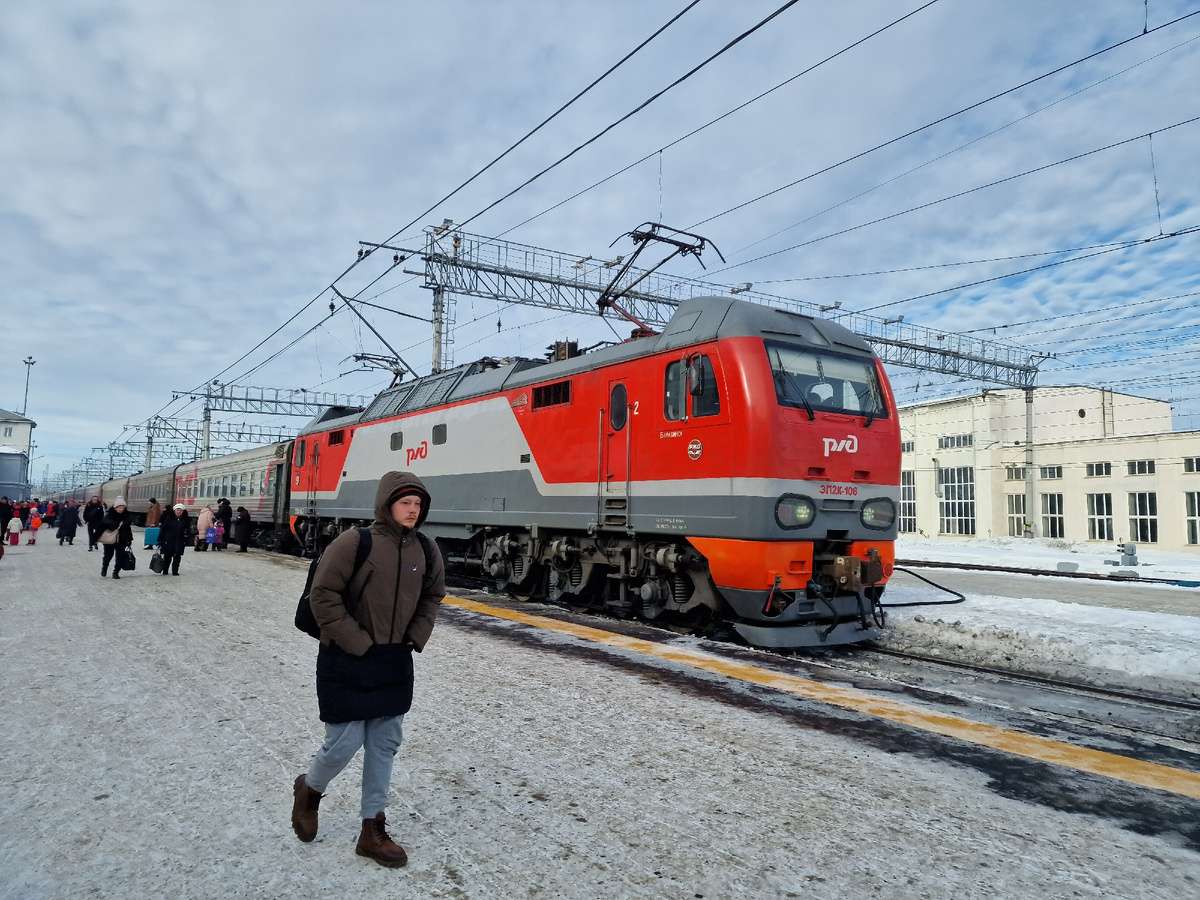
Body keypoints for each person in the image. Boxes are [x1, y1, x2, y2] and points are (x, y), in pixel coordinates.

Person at [291, 471, 444, 868]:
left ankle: (371, 830)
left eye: (418, 504)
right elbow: (323, 596)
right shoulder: (354, 542)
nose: (413, 510)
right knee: (344, 741)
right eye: (405, 503)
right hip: (347, 656)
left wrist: (414, 637)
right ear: (387, 504)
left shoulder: (427, 550)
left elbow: (432, 597)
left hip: (394, 658)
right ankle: (309, 789)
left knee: (384, 743)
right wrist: (357, 642)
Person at [99, 497, 134, 579]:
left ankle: (116, 572)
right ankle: (105, 567)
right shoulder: (109, 516)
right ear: (115, 508)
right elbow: (102, 526)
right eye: (119, 508)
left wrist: (129, 539)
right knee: (108, 555)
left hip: (122, 539)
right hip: (110, 539)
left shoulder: (126, 517)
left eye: (122, 508)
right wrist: (96, 537)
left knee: (120, 557)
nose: (121, 509)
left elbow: (128, 529)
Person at [157, 503, 190, 576]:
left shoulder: (185, 520)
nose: (179, 512)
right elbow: (163, 529)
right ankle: (165, 570)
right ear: (174, 510)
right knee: (167, 556)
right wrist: (160, 540)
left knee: (177, 556)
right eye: (177, 510)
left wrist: (186, 539)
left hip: (180, 541)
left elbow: (187, 530)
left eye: (181, 510)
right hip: (169, 540)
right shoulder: (169, 519)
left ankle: (175, 571)